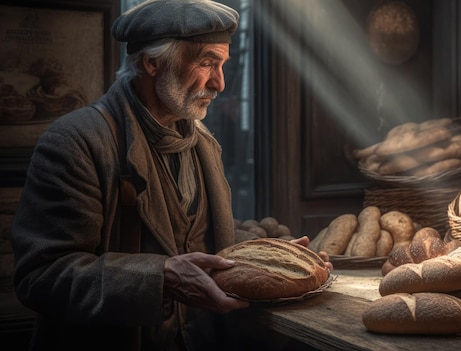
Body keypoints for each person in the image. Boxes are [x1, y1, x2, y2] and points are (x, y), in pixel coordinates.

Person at [10, 1, 331, 350]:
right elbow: (41, 276)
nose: (220, 83)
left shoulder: (205, 143)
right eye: (208, 63)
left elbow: (194, 239)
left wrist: (264, 255)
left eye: (222, 65)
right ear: (152, 63)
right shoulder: (76, 141)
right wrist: (159, 279)